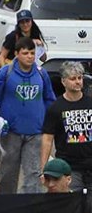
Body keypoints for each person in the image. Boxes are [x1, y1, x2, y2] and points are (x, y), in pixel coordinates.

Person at [0, 37, 55, 194]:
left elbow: (50, 99)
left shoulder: (41, 74)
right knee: (8, 173)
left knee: (34, 174)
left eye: (32, 53)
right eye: (25, 53)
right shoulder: (6, 72)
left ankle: (29, 209)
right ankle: (6, 206)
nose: (30, 56)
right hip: (10, 132)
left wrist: (50, 124)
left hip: (36, 133)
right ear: (17, 54)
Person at [41, 62, 92, 191]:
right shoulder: (56, 108)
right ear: (64, 82)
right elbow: (47, 139)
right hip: (69, 168)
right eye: (73, 78)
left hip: (90, 165)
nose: (78, 82)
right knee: (71, 204)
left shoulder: (90, 103)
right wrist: (43, 169)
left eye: (80, 78)